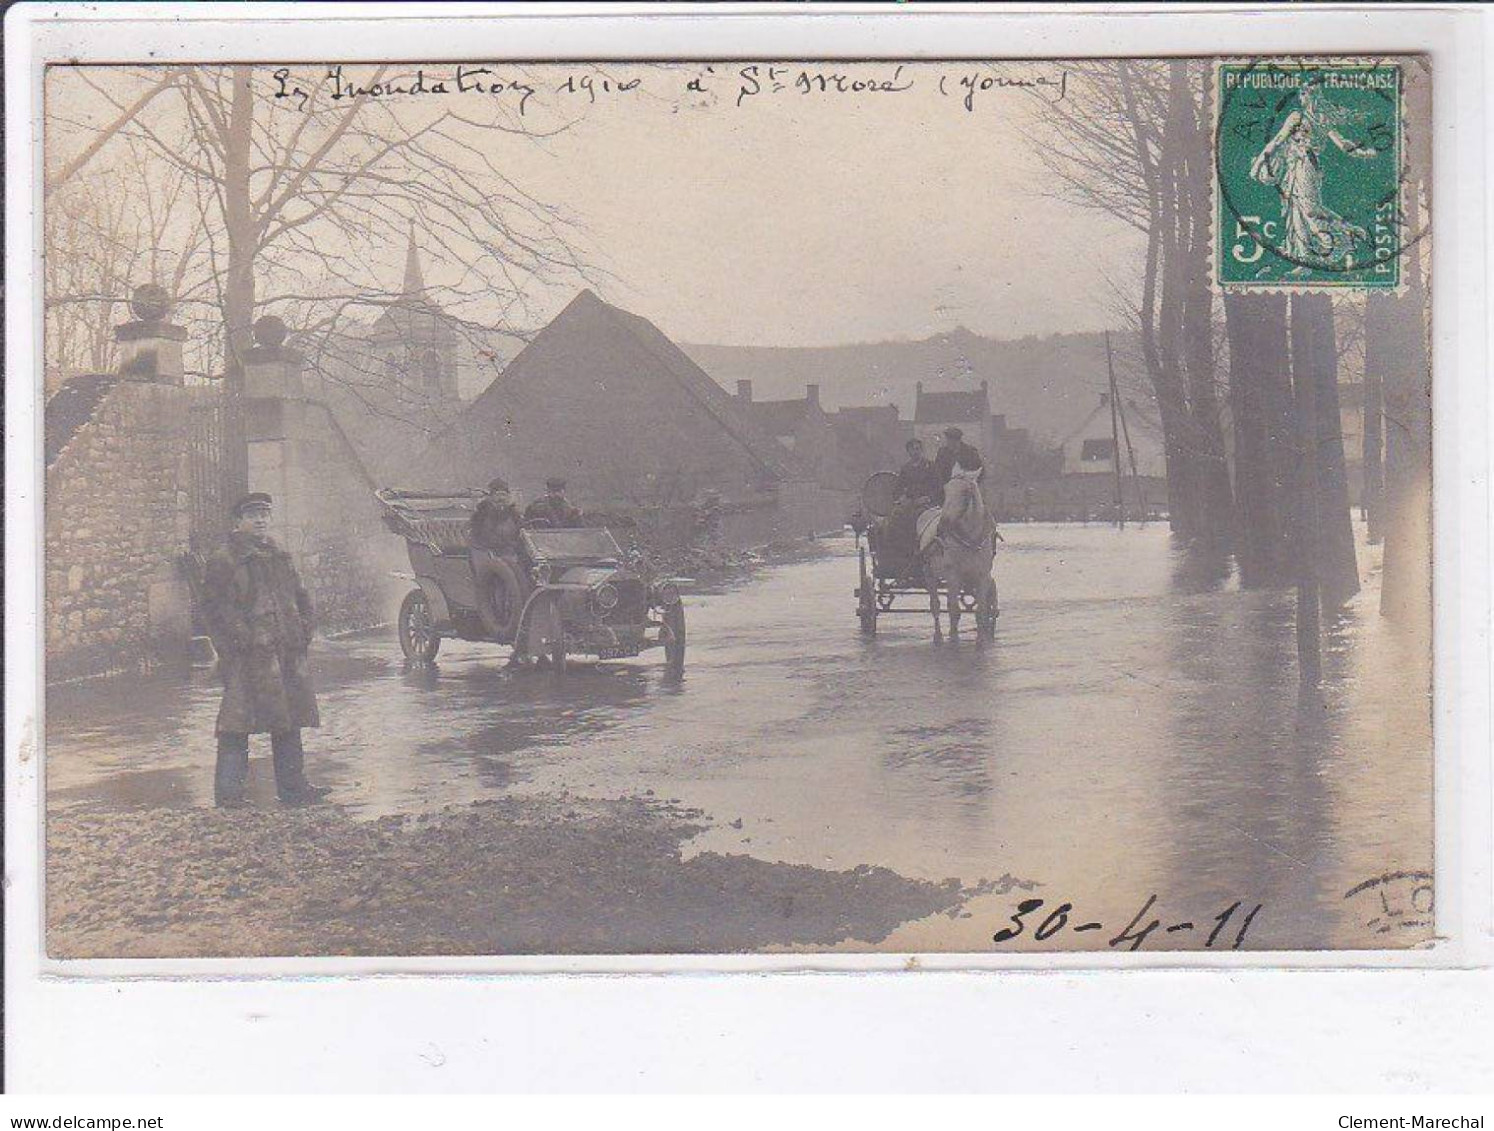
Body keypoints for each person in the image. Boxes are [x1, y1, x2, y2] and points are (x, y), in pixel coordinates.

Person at [201, 492, 328, 808]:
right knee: (236, 723)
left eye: (264, 514)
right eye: (252, 514)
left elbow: (300, 594)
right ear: (238, 521)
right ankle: (229, 796)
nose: (260, 520)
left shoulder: (278, 554)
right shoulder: (225, 559)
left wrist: (304, 627)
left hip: (285, 651)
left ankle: (294, 790)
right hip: (247, 657)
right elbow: (214, 610)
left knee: (289, 719)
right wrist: (237, 643)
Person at [469, 478, 525, 640]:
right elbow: (478, 537)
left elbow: (522, 533)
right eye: (497, 495)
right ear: (491, 497)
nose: (501, 499)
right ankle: (496, 615)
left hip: (508, 553)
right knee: (493, 580)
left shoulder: (514, 514)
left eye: (504, 495)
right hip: (484, 552)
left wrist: (517, 545)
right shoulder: (482, 514)